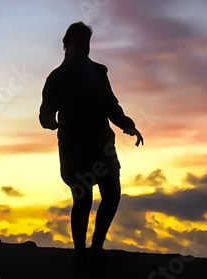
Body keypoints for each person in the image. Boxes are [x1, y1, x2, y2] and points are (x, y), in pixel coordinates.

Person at [39, 21, 143, 256]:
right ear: (66, 46)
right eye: (78, 43)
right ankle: (80, 252)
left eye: (86, 43)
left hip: (102, 144)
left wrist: (128, 125)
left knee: (112, 194)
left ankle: (96, 246)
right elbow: (45, 113)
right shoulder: (56, 78)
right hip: (74, 147)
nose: (83, 48)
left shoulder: (98, 73)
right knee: (83, 198)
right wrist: (51, 122)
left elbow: (111, 105)